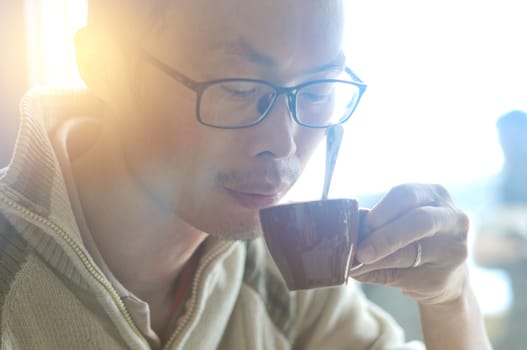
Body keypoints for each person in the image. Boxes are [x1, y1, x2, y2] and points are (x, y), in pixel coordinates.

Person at [0, 0, 491, 349]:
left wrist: (451, 301)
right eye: (237, 87)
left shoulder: (279, 272)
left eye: (318, 89)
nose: (283, 144)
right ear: (102, 66)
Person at [473, 110, 527, 350]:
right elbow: (481, 253)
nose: (510, 149)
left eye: (516, 141)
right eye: (504, 142)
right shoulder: (500, 190)